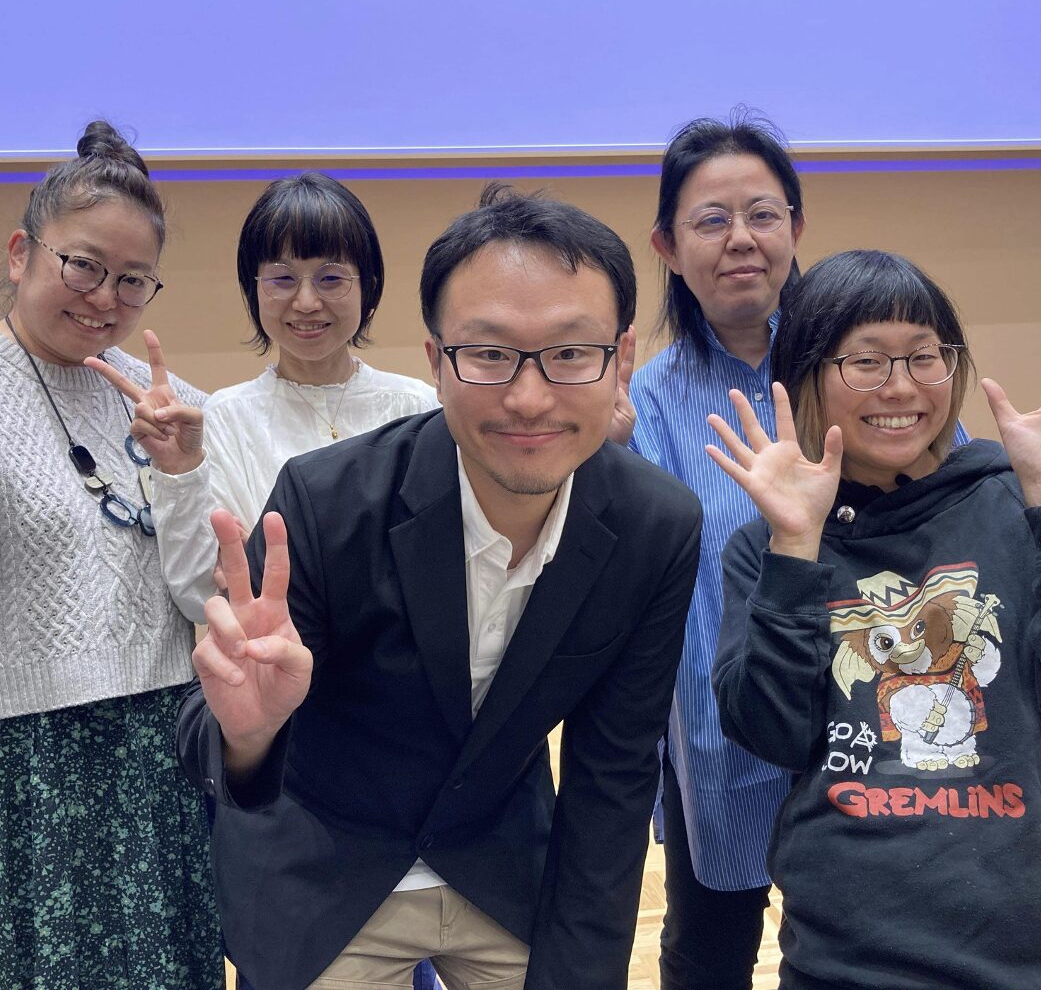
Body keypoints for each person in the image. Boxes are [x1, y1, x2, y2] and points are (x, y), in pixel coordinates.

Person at [174, 185, 703, 990]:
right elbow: (214, 731)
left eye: (570, 353)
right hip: (330, 868)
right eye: (488, 354)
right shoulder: (326, 499)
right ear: (436, 361)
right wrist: (251, 731)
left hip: (500, 864)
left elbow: (615, 776)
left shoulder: (654, 526)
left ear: (620, 359)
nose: (529, 398)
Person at [91, 171, 439, 990]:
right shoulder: (224, 419)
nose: (306, 301)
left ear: (368, 285)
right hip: (284, 752)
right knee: (299, 959)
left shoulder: (420, 408)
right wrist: (180, 472)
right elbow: (198, 591)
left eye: (331, 276)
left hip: (408, 742)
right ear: (253, 289)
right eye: (281, 277)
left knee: (418, 948)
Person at [710, 250, 1041, 989]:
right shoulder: (769, 545)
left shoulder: (1019, 505)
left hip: (1033, 949)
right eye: (867, 362)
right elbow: (773, 734)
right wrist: (794, 551)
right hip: (847, 956)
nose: (902, 387)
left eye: (924, 356)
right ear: (807, 374)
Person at [0, 121, 222, 988]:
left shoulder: (174, 406)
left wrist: (185, 471)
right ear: (20, 253)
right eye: (83, 265)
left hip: (164, 749)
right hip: (28, 758)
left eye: (132, 279)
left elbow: (206, 597)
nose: (105, 297)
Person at [625, 113, 805, 988]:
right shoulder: (647, 401)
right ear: (667, 244)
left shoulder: (855, 367)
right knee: (707, 955)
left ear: (796, 228)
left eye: (763, 214)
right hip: (714, 729)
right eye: (711, 220)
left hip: (860, 720)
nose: (741, 239)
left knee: (859, 938)